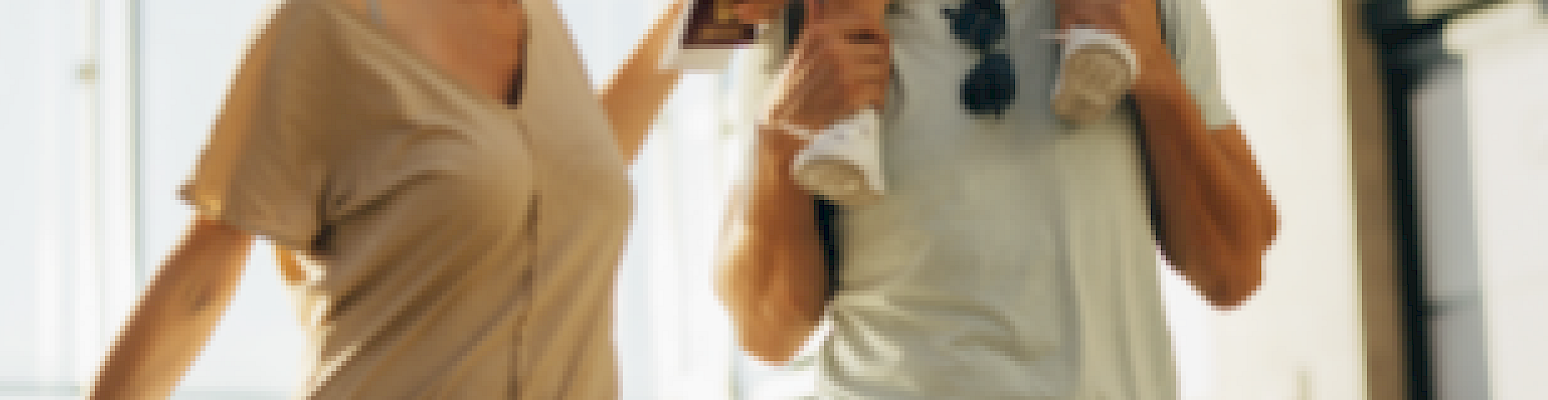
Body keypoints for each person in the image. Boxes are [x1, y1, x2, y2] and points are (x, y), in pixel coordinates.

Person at [83, 0, 709, 398]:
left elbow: (566, 176)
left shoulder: (542, 22)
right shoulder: (326, 24)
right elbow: (203, 279)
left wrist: (702, 18)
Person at [718, 0, 1277, 398]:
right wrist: (778, 140)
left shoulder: (1153, 7)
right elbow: (767, 331)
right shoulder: (801, 20)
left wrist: (1153, 70)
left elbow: (1233, 270)